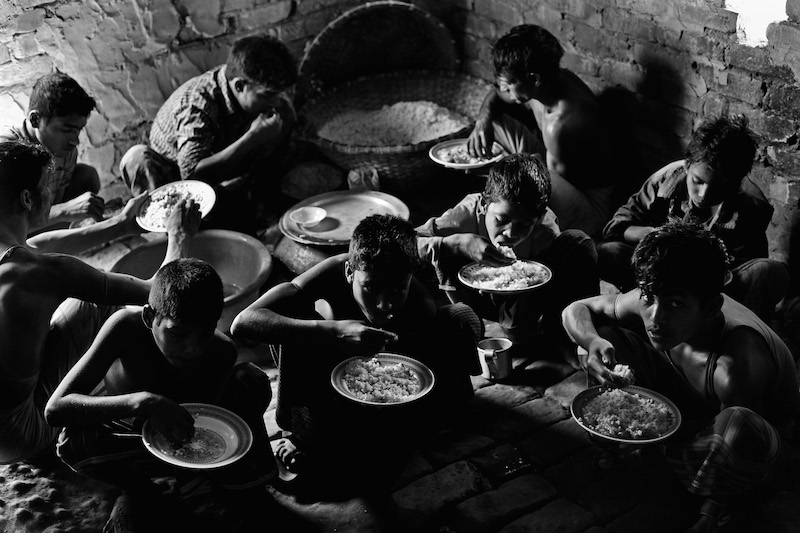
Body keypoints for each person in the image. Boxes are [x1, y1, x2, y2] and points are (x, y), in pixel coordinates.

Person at [561, 222, 800, 533]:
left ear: (711, 306)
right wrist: (593, 344)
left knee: (737, 425)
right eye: (649, 297)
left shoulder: (739, 362)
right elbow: (575, 309)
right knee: (607, 336)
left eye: (676, 304)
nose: (656, 318)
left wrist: (709, 515)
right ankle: (635, 448)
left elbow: (735, 445)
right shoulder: (655, 295)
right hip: (691, 408)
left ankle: (702, 498)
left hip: (760, 445)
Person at [230, 214, 481, 491]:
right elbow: (244, 322)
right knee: (290, 318)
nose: (384, 304)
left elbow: (398, 379)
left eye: (398, 288)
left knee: (460, 317)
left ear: (410, 278)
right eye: (371, 287)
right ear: (351, 272)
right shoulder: (333, 271)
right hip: (326, 372)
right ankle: (301, 434)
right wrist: (333, 331)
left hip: (372, 384)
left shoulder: (419, 306)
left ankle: (429, 418)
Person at [0, 140, 199, 465]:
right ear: (26, 198)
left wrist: (121, 223)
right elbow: (156, 291)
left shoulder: (16, 256)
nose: (51, 195)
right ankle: (137, 401)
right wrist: (180, 237)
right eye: (46, 187)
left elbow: (38, 244)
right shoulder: (39, 271)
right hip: (19, 432)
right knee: (103, 307)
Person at [46, 258, 277, 532]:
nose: (192, 348)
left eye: (204, 334)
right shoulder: (124, 328)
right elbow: (56, 408)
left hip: (185, 439)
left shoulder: (221, 351)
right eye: (177, 333)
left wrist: (197, 462)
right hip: (132, 432)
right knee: (74, 442)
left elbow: (205, 419)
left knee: (251, 379)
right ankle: (138, 491)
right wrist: (143, 402)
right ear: (149, 317)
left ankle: (211, 484)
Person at [598, 114, 789, 321]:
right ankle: (644, 310)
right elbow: (615, 227)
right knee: (608, 252)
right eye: (697, 181)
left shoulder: (751, 207)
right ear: (687, 165)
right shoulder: (665, 180)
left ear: (736, 184)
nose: (704, 194)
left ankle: (739, 336)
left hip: (711, 287)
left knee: (768, 272)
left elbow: (745, 268)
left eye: (719, 188)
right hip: (659, 274)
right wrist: (651, 236)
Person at [416, 153, 598, 365]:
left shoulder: (545, 231)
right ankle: (471, 326)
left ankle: (565, 334)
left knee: (578, 242)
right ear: (486, 203)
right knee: (443, 249)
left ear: (538, 217)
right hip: (471, 297)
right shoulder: (468, 213)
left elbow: (555, 283)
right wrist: (454, 243)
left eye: (524, 225)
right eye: (502, 220)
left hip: (521, 303)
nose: (511, 233)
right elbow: (406, 242)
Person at [119, 32, 298, 235]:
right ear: (239, 85)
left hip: (222, 170)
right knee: (136, 157)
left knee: (286, 116)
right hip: (177, 178)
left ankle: (256, 207)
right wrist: (251, 138)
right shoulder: (198, 106)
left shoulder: (251, 93)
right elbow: (194, 176)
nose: (275, 101)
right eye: (268, 95)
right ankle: (174, 234)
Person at [467, 24, 617, 237]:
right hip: (549, 165)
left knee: (519, 181)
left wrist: (496, 173)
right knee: (494, 120)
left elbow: (544, 189)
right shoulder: (547, 81)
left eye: (509, 84)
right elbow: (495, 95)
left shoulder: (564, 123)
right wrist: (482, 121)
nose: (503, 90)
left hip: (587, 207)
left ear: (534, 79)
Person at [0, 72, 105, 230]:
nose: (75, 140)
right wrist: (64, 210)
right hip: (10, 237)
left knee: (87, 176)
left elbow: (55, 202)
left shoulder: (66, 151)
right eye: (66, 129)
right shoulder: (7, 153)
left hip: (38, 220)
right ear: (35, 120)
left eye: (79, 130)